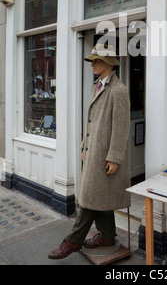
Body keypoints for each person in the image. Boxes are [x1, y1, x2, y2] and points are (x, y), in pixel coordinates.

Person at [48, 42, 131, 260]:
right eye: (92, 60)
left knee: (88, 198)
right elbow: (91, 121)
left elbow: (121, 128)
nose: (92, 64)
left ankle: (72, 242)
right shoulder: (97, 85)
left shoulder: (119, 90)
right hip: (93, 152)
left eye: (95, 60)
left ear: (107, 63)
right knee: (100, 195)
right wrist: (84, 147)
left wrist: (114, 158)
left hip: (106, 155)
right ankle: (107, 236)